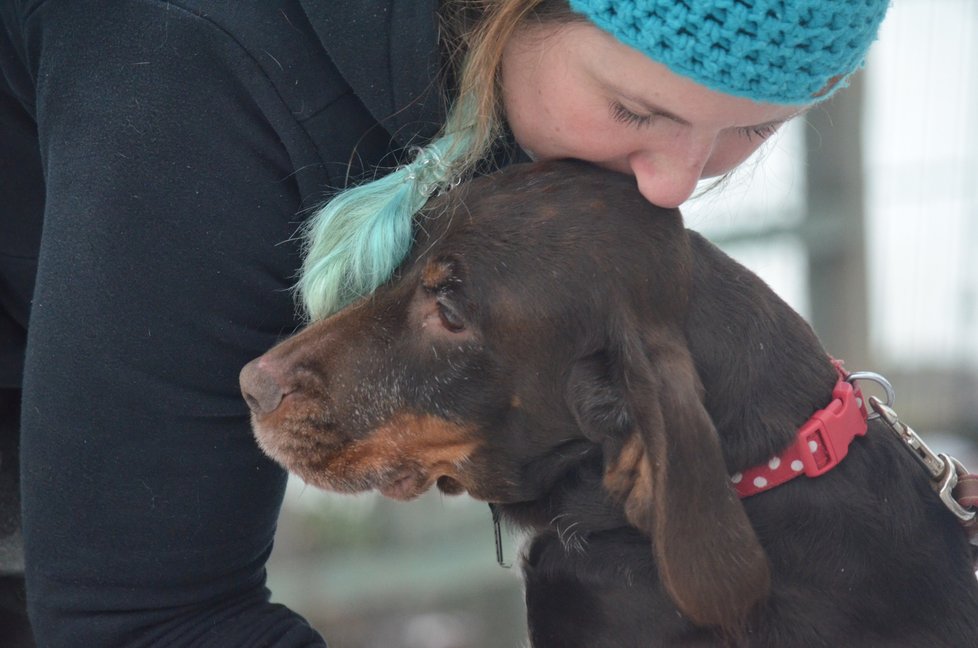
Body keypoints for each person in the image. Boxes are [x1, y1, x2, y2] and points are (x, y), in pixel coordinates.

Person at [0, 0, 889, 645]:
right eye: (635, 111)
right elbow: (148, 618)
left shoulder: (556, 135)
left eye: (753, 132)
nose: (674, 185)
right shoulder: (189, 61)